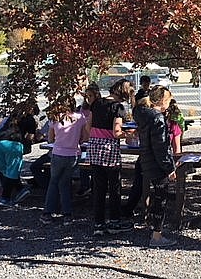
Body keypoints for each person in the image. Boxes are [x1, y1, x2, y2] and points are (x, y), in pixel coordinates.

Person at [85, 78, 135, 235]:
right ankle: (114, 222)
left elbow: (88, 127)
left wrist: (96, 136)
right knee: (114, 188)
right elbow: (116, 132)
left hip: (94, 147)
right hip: (109, 149)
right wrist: (130, 135)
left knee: (98, 187)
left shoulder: (96, 103)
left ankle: (98, 224)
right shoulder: (117, 107)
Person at [134, 86, 177, 247]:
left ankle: (152, 228)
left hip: (146, 159)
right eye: (168, 101)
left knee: (154, 196)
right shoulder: (157, 118)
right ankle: (156, 235)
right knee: (161, 198)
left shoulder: (143, 114)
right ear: (162, 101)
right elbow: (161, 147)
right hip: (157, 164)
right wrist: (170, 168)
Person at [40, 96, 88, 226]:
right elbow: (84, 137)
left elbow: (50, 139)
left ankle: (47, 212)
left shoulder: (55, 118)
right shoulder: (80, 117)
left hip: (58, 153)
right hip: (73, 154)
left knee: (54, 182)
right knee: (65, 183)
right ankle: (67, 214)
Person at [0, 100, 40, 206]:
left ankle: (20, 189)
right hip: (13, 144)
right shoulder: (30, 119)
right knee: (12, 171)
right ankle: (6, 198)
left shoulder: (12, 116)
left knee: (5, 170)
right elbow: (29, 138)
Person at [75, 82, 101, 197]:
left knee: (92, 163)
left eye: (90, 96)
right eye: (86, 96)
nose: (88, 98)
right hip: (83, 142)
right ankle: (85, 185)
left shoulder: (99, 108)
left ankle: (94, 186)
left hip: (95, 141)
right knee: (83, 161)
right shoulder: (81, 109)